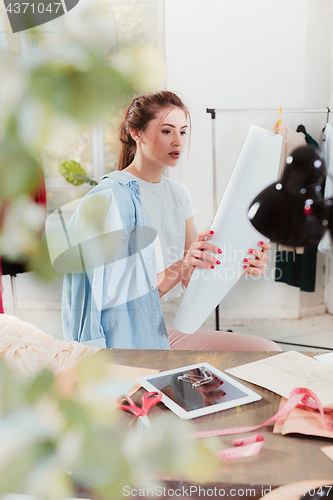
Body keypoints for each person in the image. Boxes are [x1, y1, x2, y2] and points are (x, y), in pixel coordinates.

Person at [62, 91, 280, 351]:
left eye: (183, 132)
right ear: (136, 132)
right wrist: (182, 263)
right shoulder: (109, 199)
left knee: (266, 350)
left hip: (154, 332)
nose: (178, 141)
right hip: (121, 341)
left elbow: (191, 278)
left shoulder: (178, 194)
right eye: (167, 131)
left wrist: (238, 261)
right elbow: (122, 299)